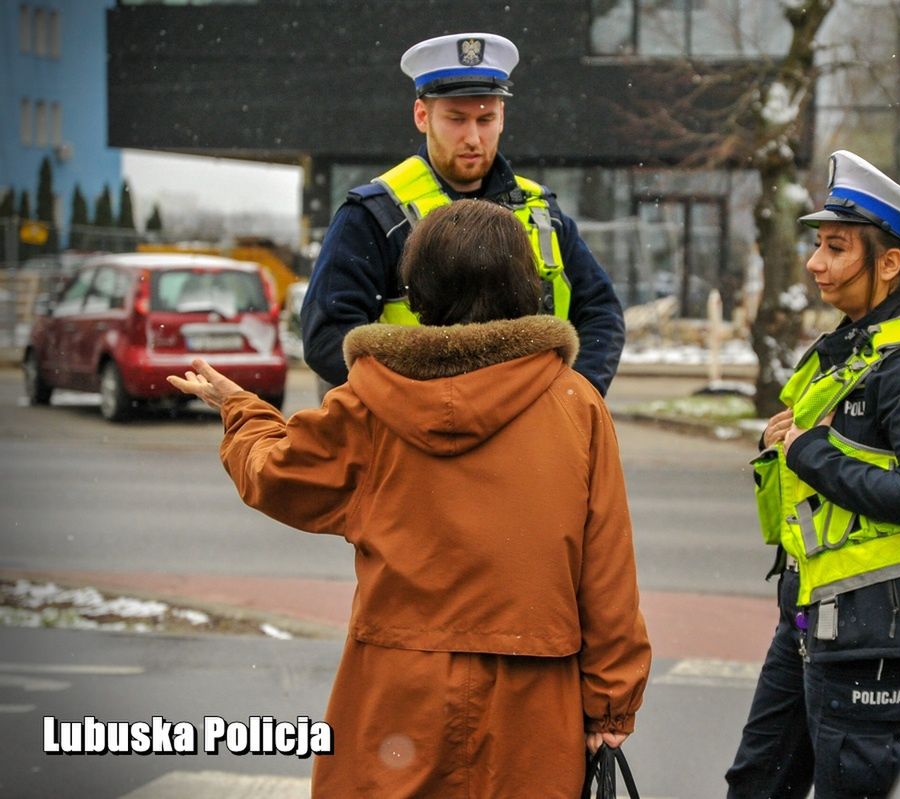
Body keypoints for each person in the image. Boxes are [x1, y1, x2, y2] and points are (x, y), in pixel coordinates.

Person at [170, 200, 651, 797]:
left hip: (398, 685)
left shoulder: (369, 401)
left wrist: (241, 411)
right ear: (527, 286)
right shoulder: (576, 404)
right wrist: (609, 705)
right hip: (534, 688)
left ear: (417, 290)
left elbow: (276, 474)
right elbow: (606, 568)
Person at [726, 150, 900, 799]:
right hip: (814, 618)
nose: (815, 263)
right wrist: (782, 439)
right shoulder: (854, 347)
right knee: (757, 783)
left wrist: (810, 451)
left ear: (889, 263)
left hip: (876, 632)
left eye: (835, 247)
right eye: (817, 244)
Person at [301, 31, 625, 397]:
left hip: (528, 438)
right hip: (418, 441)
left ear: (502, 117)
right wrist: (418, 407)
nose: (472, 137)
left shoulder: (542, 211)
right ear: (422, 115)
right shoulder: (374, 214)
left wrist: (571, 398)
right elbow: (327, 337)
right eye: (456, 119)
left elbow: (601, 314)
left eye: (485, 120)